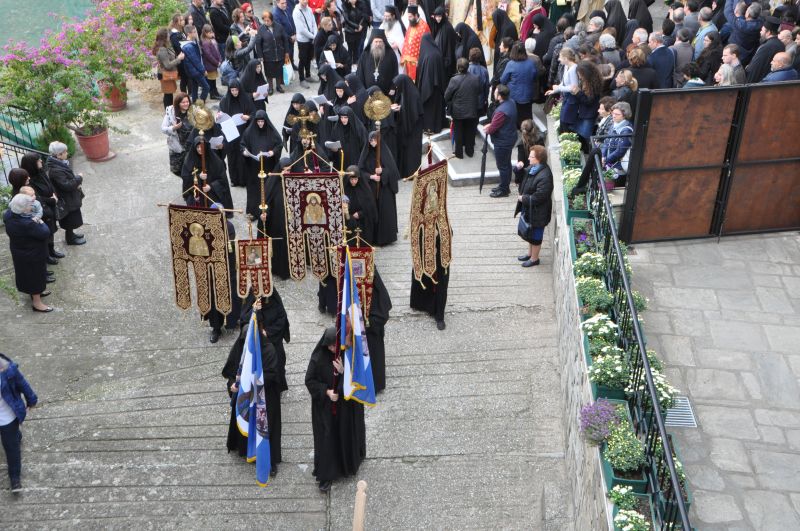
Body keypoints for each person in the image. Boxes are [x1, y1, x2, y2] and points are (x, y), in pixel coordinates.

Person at [222, 296, 282, 473]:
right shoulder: (242, 347)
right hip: (246, 396)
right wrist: (233, 384)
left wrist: (253, 381)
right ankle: (243, 448)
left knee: (265, 428)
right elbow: (232, 371)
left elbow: (272, 375)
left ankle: (269, 461)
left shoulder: (269, 350)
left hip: (266, 397)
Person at [305, 326, 367, 492]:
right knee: (327, 440)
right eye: (330, 346)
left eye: (335, 345)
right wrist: (326, 391)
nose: (332, 349)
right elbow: (309, 380)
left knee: (343, 435)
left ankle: (346, 465)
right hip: (324, 408)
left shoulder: (346, 354)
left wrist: (343, 371)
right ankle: (326, 476)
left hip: (344, 407)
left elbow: (357, 377)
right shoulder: (318, 358)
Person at [3, 194, 52, 312]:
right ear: (23, 209)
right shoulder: (28, 224)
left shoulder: (8, 215)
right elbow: (45, 232)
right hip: (32, 254)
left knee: (28, 275)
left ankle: (36, 293)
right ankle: (37, 303)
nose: (32, 206)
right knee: (35, 276)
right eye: (30, 205)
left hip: (19, 250)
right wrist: (39, 220)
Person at [0, 352, 38, 492]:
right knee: (12, 438)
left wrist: (31, 399)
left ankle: (15, 478)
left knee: (11, 448)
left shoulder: (8, 370)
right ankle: (16, 435)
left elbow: (22, 384)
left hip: (7, 417)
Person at [358, 131, 400, 245]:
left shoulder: (384, 152)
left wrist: (383, 172)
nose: (372, 143)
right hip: (370, 187)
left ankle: (386, 238)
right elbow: (360, 171)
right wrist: (371, 176)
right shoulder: (366, 153)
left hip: (384, 187)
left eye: (375, 140)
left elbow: (392, 171)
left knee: (384, 211)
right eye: (371, 141)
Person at [515, 145, 553, 268]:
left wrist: (523, 198)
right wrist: (519, 169)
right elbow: (521, 178)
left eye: (531, 156)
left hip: (539, 211)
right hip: (531, 209)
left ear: (538, 159)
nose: (528, 158)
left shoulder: (545, 175)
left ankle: (534, 259)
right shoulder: (533, 168)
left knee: (536, 235)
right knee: (530, 232)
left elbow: (540, 196)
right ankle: (530, 254)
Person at [20, 154, 62, 264]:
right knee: (45, 233)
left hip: (51, 205)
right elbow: (36, 198)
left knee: (52, 229)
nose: (41, 162)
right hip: (41, 210)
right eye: (38, 161)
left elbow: (49, 183)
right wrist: (52, 200)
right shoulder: (28, 180)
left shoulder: (41, 171)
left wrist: (54, 194)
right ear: (32, 164)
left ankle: (52, 250)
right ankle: (47, 256)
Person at [240, 110, 282, 218]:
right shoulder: (249, 132)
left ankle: (269, 212)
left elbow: (279, 144)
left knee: (268, 188)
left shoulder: (271, 132)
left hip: (268, 166)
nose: (260, 124)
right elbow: (243, 145)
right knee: (254, 190)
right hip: (253, 167)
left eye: (262, 122)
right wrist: (245, 152)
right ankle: (253, 212)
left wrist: (273, 152)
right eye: (258, 122)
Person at [46, 142, 86, 246]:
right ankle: (70, 239)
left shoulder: (59, 163)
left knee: (73, 217)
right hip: (66, 199)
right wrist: (78, 178)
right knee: (70, 219)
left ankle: (72, 234)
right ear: (58, 155)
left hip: (70, 197)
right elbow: (66, 186)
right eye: (65, 152)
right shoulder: (55, 170)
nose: (67, 153)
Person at [181, 137, 235, 212]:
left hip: (211, 193)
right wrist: (198, 176)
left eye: (202, 147)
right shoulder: (189, 160)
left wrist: (211, 186)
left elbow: (222, 180)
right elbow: (185, 178)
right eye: (198, 147)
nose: (200, 149)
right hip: (196, 192)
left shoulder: (215, 160)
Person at [218, 81, 255, 187]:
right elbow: (221, 114)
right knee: (232, 156)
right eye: (232, 90)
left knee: (242, 155)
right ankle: (234, 179)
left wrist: (248, 117)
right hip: (230, 132)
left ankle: (244, 180)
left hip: (243, 131)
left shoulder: (245, 99)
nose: (234, 92)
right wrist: (219, 116)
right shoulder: (225, 101)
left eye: (236, 90)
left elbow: (253, 113)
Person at [485, 85, 518, 199]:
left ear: (499, 96)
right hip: (509, 137)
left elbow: (493, 128)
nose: (494, 93)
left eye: (495, 92)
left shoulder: (501, 111)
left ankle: (504, 189)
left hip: (502, 141)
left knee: (502, 166)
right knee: (506, 164)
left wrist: (488, 128)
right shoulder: (511, 102)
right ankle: (504, 185)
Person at [390, 74, 424, 179]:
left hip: (413, 130)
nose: (396, 88)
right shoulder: (403, 92)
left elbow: (413, 114)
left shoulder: (414, 95)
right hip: (405, 128)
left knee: (412, 153)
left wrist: (401, 110)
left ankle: (412, 174)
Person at [445, 58, 481, 159]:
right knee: (470, 131)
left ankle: (459, 153)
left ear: (458, 67)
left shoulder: (454, 80)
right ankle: (470, 151)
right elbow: (479, 91)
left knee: (458, 131)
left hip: (458, 111)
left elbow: (446, 96)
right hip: (472, 110)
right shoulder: (475, 78)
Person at [415, 33, 447, 133]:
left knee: (430, 111)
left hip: (430, 88)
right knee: (435, 110)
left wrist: (423, 90)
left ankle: (430, 128)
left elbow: (427, 76)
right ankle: (435, 126)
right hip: (436, 87)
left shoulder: (429, 56)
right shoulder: (435, 52)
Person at [366, 267, 391, 392]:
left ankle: (375, 385)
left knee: (374, 355)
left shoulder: (374, 286)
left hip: (373, 326)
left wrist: (369, 323)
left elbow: (383, 311)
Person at [500, 41, 537, 128]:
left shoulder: (511, 64)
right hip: (528, 94)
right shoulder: (531, 63)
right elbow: (535, 77)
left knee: (515, 115)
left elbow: (503, 80)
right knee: (527, 114)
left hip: (514, 95)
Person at [255, 10, 291, 94]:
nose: (266, 22)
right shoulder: (261, 29)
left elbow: (285, 39)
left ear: (272, 19)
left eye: (268, 20)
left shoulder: (279, 27)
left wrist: (286, 51)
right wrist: (260, 56)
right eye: (265, 20)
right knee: (269, 72)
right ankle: (270, 87)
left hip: (279, 53)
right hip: (268, 55)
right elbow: (258, 43)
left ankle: (278, 86)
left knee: (279, 71)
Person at [546, 47, 578, 136]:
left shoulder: (573, 69)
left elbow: (573, 88)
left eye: (560, 57)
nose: (558, 59)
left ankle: (568, 140)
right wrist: (554, 90)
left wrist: (559, 88)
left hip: (572, 99)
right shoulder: (566, 66)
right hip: (566, 97)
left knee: (565, 121)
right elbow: (563, 83)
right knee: (562, 120)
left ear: (565, 58)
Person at [161, 92, 194, 178]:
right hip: (177, 147)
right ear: (178, 103)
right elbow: (163, 129)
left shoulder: (193, 111)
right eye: (183, 102)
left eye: (187, 102)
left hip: (190, 147)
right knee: (176, 170)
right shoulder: (171, 112)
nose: (186, 104)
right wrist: (173, 128)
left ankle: (189, 186)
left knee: (190, 171)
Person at [601, 102, 634, 186]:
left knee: (613, 189)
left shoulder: (627, 130)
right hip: (608, 163)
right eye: (613, 113)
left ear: (624, 115)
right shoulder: (614, 124)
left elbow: (620, 151)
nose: (614, 116)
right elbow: (606, 141)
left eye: (617, 114)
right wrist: (603, 156)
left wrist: (606, 159)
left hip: (618, 167)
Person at [357, 29, 399, 94]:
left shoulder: (391, 54)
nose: (378, 44)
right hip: (368, 93)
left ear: (384, 42)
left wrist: (393, 87)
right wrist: (361, 89)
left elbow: (395, 72)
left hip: (386, 93)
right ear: (372, 42)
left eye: (380, 41)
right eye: (376, 41)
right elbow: (360, 73)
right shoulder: (365, 54)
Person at [343, 165, 378, 243]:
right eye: (351, 179)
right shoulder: (344, 189)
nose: (353, 181)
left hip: (363, 220)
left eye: (355, 179)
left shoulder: (364, 189)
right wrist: (349, 215)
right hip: (349, 220)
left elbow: (370, 206)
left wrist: (360, 214)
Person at [572, 61, 602, 148]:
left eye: (580, 74)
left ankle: (589, 152)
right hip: (585, 112)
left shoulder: (593, 85)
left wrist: (578, 93)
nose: (579, 77)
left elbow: (589, 101)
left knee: (586, 135)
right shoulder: (589, 81)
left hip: (589, 113)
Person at [746, 17, 784, 83]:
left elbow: (755, 69)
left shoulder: (766, 47)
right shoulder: (781, 44)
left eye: (762, 30)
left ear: (768, 32)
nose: (760, 32)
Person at [155, 28, 185, 109]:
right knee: (168, 95)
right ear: (164, 37)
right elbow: (167, 65)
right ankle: (168, 113)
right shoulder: (162, 50)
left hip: (166, 74)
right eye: (168, 35)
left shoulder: (164, 47)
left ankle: (169, 111)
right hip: (165, 74)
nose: (169, 36)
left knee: (169, 94)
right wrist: (179, 58)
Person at [724, 0, 762, 66]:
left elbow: (727, 12)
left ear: (747, 14)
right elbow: (756, 9)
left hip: (733, 53)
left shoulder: (741, 25)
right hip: (746, 56)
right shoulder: (760, 24)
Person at [400, 5, 430, 81]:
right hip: (407, 60)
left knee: (416, 81)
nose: (408, 19)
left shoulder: (424, 27)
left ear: (416, 15)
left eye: (410, 17)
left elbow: (426, 45)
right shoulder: (411, 24)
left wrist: (420, 59)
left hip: (417, 61)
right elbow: (407, 40)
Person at [181, 25, 210, 102]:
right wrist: (203, 70)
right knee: (206, 87)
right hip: (195, 71)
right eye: (194, 32)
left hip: (193, 71)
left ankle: (194, 103)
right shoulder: (188, 46)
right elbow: (195, 60)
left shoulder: (192, 42)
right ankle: (200, 103)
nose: (196, 33)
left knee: (195, 88)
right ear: (189, 34)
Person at [294, 0, 318, 88]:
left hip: (311, 38)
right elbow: (301, 29)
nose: (305, 1)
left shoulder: (309, 9)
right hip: (303, 40)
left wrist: (315, 34)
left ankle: (308, 75)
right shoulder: (296, 12)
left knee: (309, 57)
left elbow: (314, 22)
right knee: (302, 59)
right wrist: (313, 36)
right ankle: (302, 79)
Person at [430, 7, 457, 81]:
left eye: (440, 16)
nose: (438, 18)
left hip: (446, 59)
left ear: (443, 16)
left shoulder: (447, 28)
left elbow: (447, 46)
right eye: (436, 16)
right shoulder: (439, 25)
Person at [491, 8, 518, 78]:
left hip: (506, 59)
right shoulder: (503, 25)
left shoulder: (508, 28)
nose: (495, 23)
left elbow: (508, 45)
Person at [201, 24, 224, 100]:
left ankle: (215, 92)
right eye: (209, 33)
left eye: (212, 32)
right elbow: (209, 56)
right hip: (210, 65)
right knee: (211, 80)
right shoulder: (205, 43)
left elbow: (217, 51)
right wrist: (216, 63)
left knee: (214, 79)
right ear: (205, 33)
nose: (211, 34)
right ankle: (213, 94)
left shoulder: (211, 40)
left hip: (214, 64)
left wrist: (220, 59)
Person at [343, 0, 369, 67]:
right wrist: (356, 26)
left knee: (356, 49)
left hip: (359, 30)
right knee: (350, 49)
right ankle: (348, 65)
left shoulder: (360, 3)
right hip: (350, 31)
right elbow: (347, 19)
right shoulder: (345, 5)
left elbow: (364, 16)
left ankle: (355, 64)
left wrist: (360, 26)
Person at [468, 47, 490, 118]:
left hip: (469, 102)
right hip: (480, 102)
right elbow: (486, 87)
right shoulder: (484, 70)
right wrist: (486, 99)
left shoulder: (467, 69)